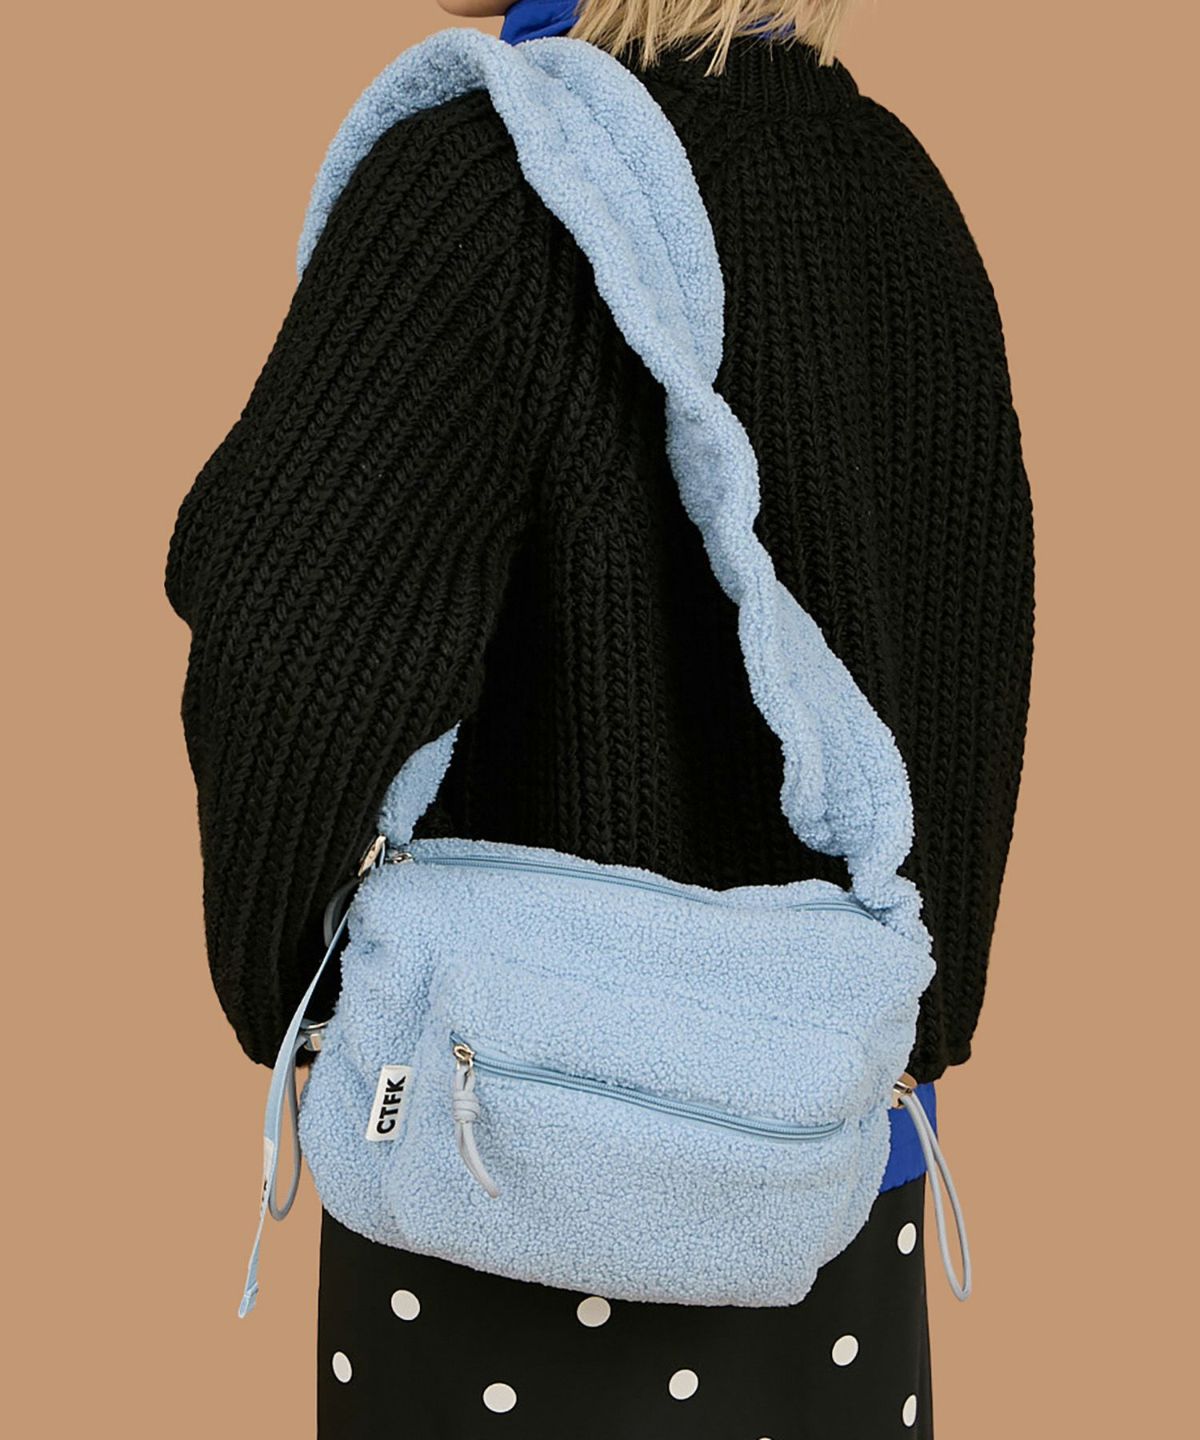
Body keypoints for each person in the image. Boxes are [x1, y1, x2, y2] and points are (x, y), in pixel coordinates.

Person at [163, 1, 1034, 1434]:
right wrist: (898, 1035)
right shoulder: (899, 187)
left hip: (503, 1175)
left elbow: (284, 624)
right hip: (829, 1177)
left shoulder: (489, 176)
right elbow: (965, 652)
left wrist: (302, 1002)